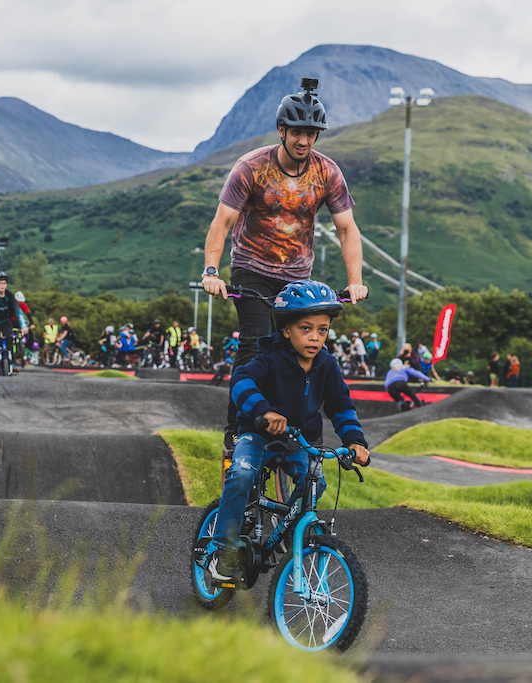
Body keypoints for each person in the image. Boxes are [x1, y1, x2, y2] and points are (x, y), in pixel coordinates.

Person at [200, 79, 368, 456]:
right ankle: (238, 427)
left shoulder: (327, 173)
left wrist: (355, 282)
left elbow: (347, 229)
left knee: (305, 350)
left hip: (297, 275)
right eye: (297, 133)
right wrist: (212, 272)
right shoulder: (251, 168)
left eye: (311, 134)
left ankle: (294, 428)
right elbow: (222, 223)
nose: (304, 141)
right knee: (254, 344)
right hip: (251, 268)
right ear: (282, 131)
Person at [208, 280, 369, 585]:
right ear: (285, 330)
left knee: (316, 484)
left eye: (322, 330)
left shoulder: (327, 366)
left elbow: (341, 406)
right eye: (305, 329)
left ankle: (285, 534)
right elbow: (241, 381)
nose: (315, 337)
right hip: (257, 436)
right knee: (241, 475)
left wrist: (355, 441)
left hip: (298, 442)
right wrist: (263, 412)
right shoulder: (269, 359)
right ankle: (222, 551)